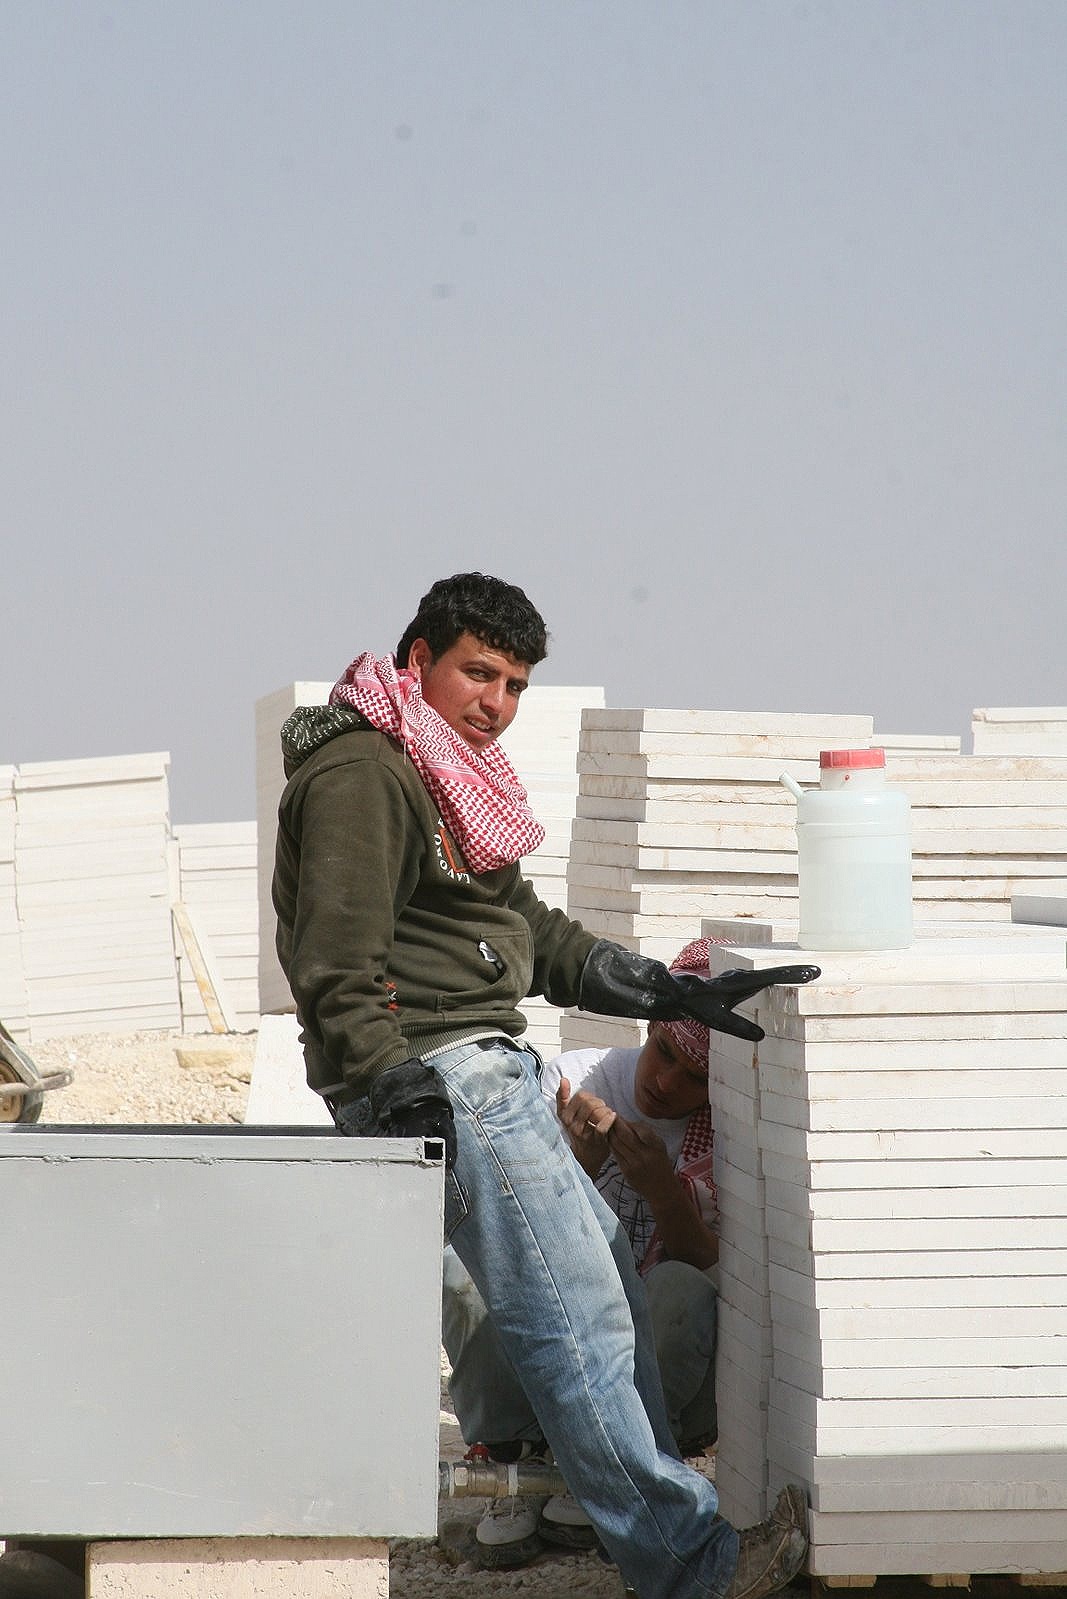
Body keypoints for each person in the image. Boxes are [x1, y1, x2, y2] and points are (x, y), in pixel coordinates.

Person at [272, 572, 818, 1599]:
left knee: (603, 1282)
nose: (496, 703)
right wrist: (390, 1084)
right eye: (477, 672)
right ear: (416, 661)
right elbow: (330, 962)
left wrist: (652, 983)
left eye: (515, 684)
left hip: (480, 1066)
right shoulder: (362, 772)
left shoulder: (442, 774)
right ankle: (690, 1567)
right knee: (580, 1320)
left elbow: (529, 932)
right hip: (441, 1071)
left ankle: (672, 1545)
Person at [442, 937, 724, 1569]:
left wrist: (660, 1188)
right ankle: (517, 1459)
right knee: (462, 1269)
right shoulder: (576, 1081)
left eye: (693, 1078)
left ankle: (628, 1460)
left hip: (642, 1354)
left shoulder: (727, 1132)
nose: (666, 1083)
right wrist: (579, 1167)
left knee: (684, 1290)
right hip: (552, 1328)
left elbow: (708, 1266)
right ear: (649, 1031)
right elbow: (511, 1232)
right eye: (664, 1055)